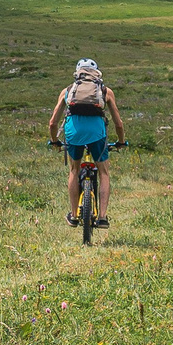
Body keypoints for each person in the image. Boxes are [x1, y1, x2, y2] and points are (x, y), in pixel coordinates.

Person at [45, 57, 127, 226]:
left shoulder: (67, 90)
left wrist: (54, 141)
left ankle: (74, 216)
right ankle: (103, 217)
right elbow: (119, 124)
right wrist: (121, 141)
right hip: (97, 134)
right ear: (96, 73)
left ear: (78, 74)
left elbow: (53, 123)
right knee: (104, 173)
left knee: (74, 171)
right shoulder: (105, 91)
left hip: (73, 134)